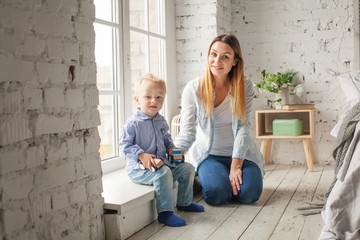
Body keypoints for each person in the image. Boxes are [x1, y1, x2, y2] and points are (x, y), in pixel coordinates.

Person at [174, 34, 265, 205]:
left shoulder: (244, 86)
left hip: (241, 155)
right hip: (209, 156)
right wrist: (172, 154)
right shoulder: (193, 89)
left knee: (249, 195)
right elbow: (187, 132)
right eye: (213, 54)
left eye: (225, 57)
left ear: (235, 61)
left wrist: (236, 166)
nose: (217, 61)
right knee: (217, 195)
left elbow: (243, 128)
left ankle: (225, 178)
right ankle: (209, 178)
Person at [119, 73, 204, 227]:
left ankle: (184, 203)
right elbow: (125, 146)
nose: (154, 101)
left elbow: (166, 138)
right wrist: (142, 155)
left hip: (161, 164)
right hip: (139, 169)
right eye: (148, 97)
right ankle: (165, 213)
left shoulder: (161, 120)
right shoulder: (133, 123)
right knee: (164, 173)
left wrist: (171, 148)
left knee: (188, 168)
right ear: (137, 100)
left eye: (159, 97)